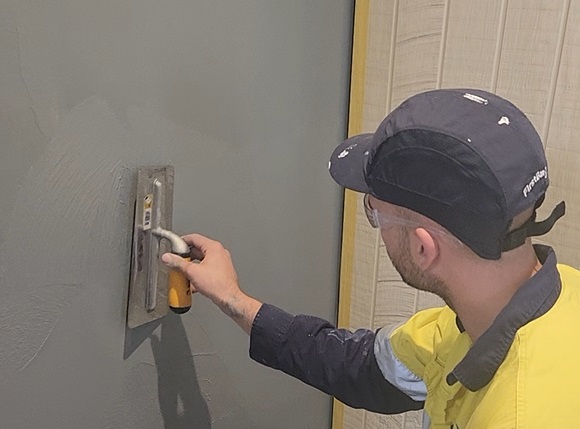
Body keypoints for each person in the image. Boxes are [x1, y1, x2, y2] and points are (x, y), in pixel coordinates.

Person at [161, 89, 580, 428]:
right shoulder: (484, 320)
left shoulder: (518, 413)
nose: (373, 223)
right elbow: (359, 367)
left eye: (374, 213)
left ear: (422, 247)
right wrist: (233, 299)